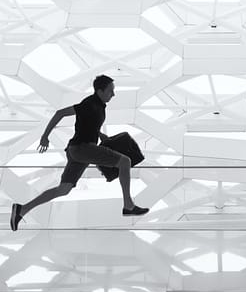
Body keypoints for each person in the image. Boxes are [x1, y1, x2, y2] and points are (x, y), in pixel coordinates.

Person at [9, 75, 148, 231]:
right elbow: (60, 113)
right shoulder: (89, 104)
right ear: (100, 91)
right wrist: (45, 136)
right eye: (110, 91)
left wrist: (100, 135)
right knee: (125, 161)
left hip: (77, 151)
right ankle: (128, 205)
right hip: (82, 149)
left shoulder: (100, 106)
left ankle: (22, 210)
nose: (113, 94)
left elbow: (88, 125)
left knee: (63, 189)